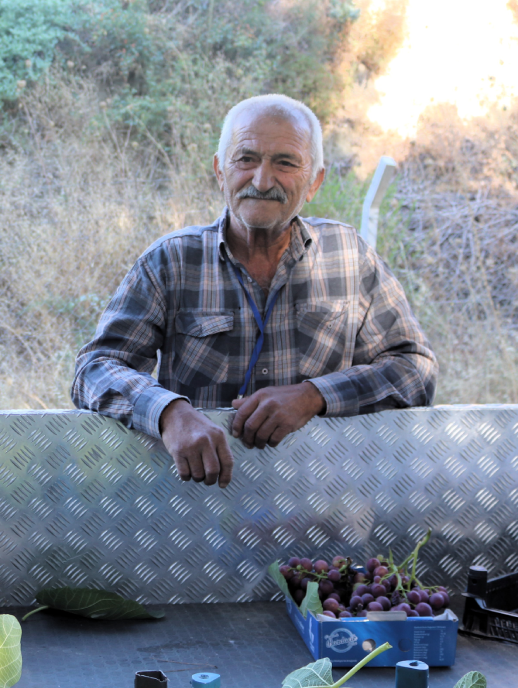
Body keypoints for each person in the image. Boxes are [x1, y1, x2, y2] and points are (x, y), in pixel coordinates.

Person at [71, 94, 436, 489]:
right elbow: (95, 368)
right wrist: (168, 412)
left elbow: (414, 369)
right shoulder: (171, 261)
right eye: (246, 159)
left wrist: (315, 395)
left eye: (285, 163)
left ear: (315, 181)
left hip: (324, 505)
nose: (262, 181)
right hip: (200, 507)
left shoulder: (351, 256)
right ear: (219, 171)